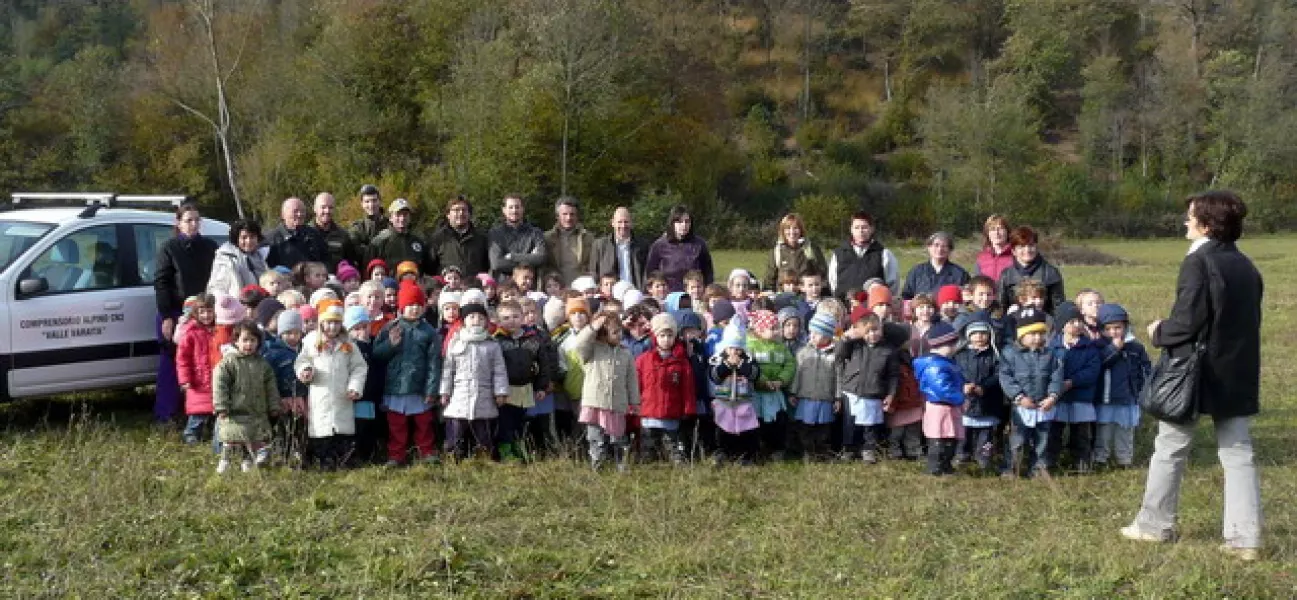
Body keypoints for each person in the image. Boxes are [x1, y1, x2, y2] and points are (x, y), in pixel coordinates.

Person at [1124, 191, 1263, 561]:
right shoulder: (1247, 266)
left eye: (1190, 216)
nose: (1185, 221)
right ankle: (1244, 539)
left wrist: (1157, 331)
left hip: (1195, 372)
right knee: (1238, 454)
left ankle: (1153, 525)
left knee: (1169, 448)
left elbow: (1187, 322)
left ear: (1205, 224)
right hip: (1236, 371)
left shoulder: (1198, 263)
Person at [153, 202, 218, 423]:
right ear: (178, 223)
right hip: (175, 311)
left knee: (203, 362)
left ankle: (202, 413)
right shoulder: (168, 248)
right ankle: (167, 414)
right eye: (188, 220)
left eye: (196, 220)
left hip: (204, 312)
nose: (193, 224)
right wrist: (166, 317)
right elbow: (161, 283)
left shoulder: (209, 247)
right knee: (172, 362)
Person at [373, 282, 443, 467]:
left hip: (419, 386)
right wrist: (391, 344)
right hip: (396, 386)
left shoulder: (429, 332)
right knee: (397, 424)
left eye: (418, 305)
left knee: (423, 423)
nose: (414, 309)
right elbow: (377, 354)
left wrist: (431, 389)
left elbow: (434, 362)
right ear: (402, 307)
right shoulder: (390, 328)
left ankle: (426, 452)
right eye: (410, 305)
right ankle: (396, 455)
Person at [294, 300, 368, 470]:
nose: (332, 327)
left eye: (336, 322)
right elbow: (302, 360)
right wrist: (305, 370)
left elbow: (359, 367)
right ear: (321, 323)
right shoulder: (311, 343)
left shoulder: (348, 344)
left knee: (342, 431)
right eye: (328, 322)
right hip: (321, 395)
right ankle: (323, 460)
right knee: (321, 429)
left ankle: (343, 459)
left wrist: (355, 387)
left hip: (342, 396)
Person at [999, 307, 1064, 478]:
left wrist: (1052, 396)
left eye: (1040, 333)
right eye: (1032, 334)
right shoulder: (1010, 354)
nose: (1037, 337)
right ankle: (1012, 467)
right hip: (1022, 406)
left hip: (1043, 406)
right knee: (1017, 440)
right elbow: (1006, 377)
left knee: (1042, 439)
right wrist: (1019, 397)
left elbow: (1056, 377)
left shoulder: (1051, 355)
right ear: (1021, 335)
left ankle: (1038, 468)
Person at [440, 302, 510, 460]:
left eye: (480, 317)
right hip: (459, 396)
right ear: (464, 320)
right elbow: (448, 370)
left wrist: (500, 392)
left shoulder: (492, 345)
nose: (476, 320)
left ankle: (484, 457)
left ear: (486, 321)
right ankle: (453, 456)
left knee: (483, 430)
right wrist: (445, 391)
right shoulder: (456, 342)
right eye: (472, 317)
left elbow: (499, 371)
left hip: (483, 396)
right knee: (456, 430)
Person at [573, 310, 641, 472]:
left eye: (620, 331)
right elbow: (579, 343)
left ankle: (621, 467)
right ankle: (598, 466)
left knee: (618, 438)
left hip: (617, 404)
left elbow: (631, 379)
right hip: (595, 404)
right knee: (596, 439)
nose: (619, 335)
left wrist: (635, 401)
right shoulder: (591, 351)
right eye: (614, 332)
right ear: (602, 334)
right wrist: (592, 327)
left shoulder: (625, 353)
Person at [211, 322, 280, 474]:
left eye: (253, 341)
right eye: (245, 340)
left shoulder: (263, 365)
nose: (249, 344)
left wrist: (274, 406)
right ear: (236, 341)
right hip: (234, 411)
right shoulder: (229, 363)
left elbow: (271, 388)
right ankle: (224, 462)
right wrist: (221, 405)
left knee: (252, 437)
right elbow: (219, 384)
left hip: (256, 411)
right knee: (231, 438)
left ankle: (247, 462)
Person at [836, 313, 899, 464]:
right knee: (850, 425)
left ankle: (868, 450)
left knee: (870, 426)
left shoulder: (888, 350)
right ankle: (849, 449)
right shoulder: (855, 345)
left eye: (876, 330)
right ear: (861, 332)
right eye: (868, 331)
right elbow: (839, 354)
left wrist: (891, 394)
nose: (873, 334)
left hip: (873, 393)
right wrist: (845, 337)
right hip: (852, 391)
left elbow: (893, 375)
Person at [635, 312, 697, 465]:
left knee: (674, 448)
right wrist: (633, 404)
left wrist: (688, 408)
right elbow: (636, 384)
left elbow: (687, 387)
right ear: (655, 337)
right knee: (648, 448)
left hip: (671, 412)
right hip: (649, 413)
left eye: (670, 335)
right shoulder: (644, 360)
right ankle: (648, 467)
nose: (666, 339)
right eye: (662, 335)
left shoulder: (681, 362)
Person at [1093, 303, 1150, 469]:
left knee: (1125, 431)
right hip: (1106, 398)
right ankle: (1100, 459)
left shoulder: (1136, 348)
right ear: (1101, 329)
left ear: (1125, 326)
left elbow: (1145, 369)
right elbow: (1100, 364)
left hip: (1128, 398)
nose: (1113, 332)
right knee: (1103, 431)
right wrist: (1113, 349)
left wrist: (1143, 389)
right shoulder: (1099, 347)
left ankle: (1124, 460)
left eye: (1117, 327)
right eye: (1108, 329)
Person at [914, 322, 965, 476]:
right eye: (952, 344)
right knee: (939, 438)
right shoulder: (935, 366)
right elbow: (942, 389)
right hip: (940, 407)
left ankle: (946, 465)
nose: (955, 347)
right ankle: (934, 467)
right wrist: (960, 397)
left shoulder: (945, 362)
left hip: (949, 407)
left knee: (950, 437)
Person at [708, 319, 761, 466]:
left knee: (746, 430)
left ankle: (747, 455)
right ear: (725, 347)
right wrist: (726, 365)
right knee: (723, 429)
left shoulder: (749, 360)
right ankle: (723, 453)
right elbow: (714, 376)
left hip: (744, 402)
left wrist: (741, 365)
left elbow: (755, 375)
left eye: (738, 349)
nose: (734, 352)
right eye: (731, 348)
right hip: (723, 402)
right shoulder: (717, 359)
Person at [788, 312, 840, 460]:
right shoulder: (803, 352)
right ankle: (808, 451)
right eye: (811, 333)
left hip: (825, 398)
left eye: (816, 334)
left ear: (827, 335)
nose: (812, 337)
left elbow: (838, 377)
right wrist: (793, 392)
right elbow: (797, 374)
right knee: (806, 427)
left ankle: (822, 451)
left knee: (824, 428)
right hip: (806, 397)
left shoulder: (835, 354)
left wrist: (837, 397)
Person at [954, 320, 1003, 472]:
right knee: (964, 432)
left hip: (988, 401)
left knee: (986, 433)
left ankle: (984, 457)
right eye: (975, 333)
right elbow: (956, 372)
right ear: (969, 335)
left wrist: (985, 387)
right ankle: (962, 455)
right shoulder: (961, 355)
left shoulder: (994, 355)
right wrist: (963, 386)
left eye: (983, 333)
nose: (980, 336)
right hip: (967, 401)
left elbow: (998, 374)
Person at [828, 211, 899, 301]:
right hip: (844, 308)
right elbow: (833, 282)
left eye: (864, 227)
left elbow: (892, 285)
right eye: (856, 227)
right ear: (851, 229)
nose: (860, 231)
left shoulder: (884, 254)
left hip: (872, 310)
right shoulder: (838, 254)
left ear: (872, 229)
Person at [176, 293, 218, 445]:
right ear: (196, 313)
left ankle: (216, 434)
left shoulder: (218, 330)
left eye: (209, 311)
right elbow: (183, 359)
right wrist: (185, 379)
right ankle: (191, 433)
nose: (206, 315)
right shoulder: (191, 332)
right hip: (197, 379)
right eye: (202, 312)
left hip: (215, 377)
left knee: (217, 408)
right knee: (198, 411)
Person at [997, 226, 1066, 315]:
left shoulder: (1051, 273)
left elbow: (1058, 308)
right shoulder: (1006, 275)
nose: (1027, 250)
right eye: (1022, 246)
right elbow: (1001, 307)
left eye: (1031, 245)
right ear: (1013, 251)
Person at [645, 205, 715, 292]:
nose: (684, 225)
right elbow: (650, 274)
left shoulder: (699, 244)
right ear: (672, 223)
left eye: (687, 222)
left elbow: (708, 272)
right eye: (679, 222)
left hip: (694, 294)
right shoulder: (659, 246)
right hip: (668, 295)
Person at [427, 195, 491, 280]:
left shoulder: (481, 238)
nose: (461, 213)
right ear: (448, 214)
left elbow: (487, 267)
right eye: (456, 210)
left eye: (464, 210)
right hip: (447, 290)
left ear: (469, 214)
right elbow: (429, 269)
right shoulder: (437, 239)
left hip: (473, 289)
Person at [763, 213, 828, 292]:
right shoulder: (776, 252)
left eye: (795, 228)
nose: (792, 232)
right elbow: (769, 281)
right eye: (788, 228)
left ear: (801, 230)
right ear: (783, 231)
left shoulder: (812, 249)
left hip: (807, 298)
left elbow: (823, 275)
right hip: (783, 298)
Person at [488, 195, 547, 281]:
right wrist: (530, 258)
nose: (514, 210)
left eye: (517, 207)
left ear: (523, 209)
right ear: (504, 210)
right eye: (510, 207)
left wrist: (513, 256)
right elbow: (497, 264)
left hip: (530, 286)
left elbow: (541, 258)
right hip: (504, 286)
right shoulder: (495, 234)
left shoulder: (536, 233)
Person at [589, 206, 650, 289]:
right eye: (619, 222)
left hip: (635, 292)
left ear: (632, 223)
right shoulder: (600, 245)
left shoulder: (643, 245)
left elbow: (648, 272)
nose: (623, 226)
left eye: (626, 222)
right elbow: (594, 272)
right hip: (610, 294)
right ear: (612, 223)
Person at [207, 219, 269, 299]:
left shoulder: (260, 256)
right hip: (236, 307)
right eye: (244, 237)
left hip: (260, 303)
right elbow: (217, 287)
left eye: (252, 237)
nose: (248, 241)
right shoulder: (226, 258)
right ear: (236, 239)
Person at [542, 196, 595, 287]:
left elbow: (593, 265)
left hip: (581, 288)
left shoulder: (588, 238)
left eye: (572, 214)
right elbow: (544, 266)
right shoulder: (547, 238)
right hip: (556, 288)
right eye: (564, 214)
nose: (568, 218)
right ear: (557, 216)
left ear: (577, 216)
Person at [368, 198, 431, 275]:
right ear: (390, 218)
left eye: (405, 214)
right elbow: (369, 270)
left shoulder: (419, 241)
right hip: (389, 286)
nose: (402, 218)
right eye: (398, 215)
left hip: (415, 285)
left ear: (409, 217)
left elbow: (428, 269)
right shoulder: (379, 242)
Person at [902, 231, 970, 300]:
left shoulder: (960, 274)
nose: (940, 249)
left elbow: (966, 298)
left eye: (944, 246)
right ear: (929, 247)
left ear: (950, 250)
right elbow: (907, 297)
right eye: (936, 245)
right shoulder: (916, 272)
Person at [265, 197, 328, 269]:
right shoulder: (270, 240)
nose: (299, 214)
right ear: (283, 215)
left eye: (302, 211)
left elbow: (326, 259)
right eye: (295, 211)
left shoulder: (314, 235)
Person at [311, 192, 360, 271]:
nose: (327, 211)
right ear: (315, 208)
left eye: (330, 208)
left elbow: (351, 264)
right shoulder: (306, 234)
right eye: (323, 207)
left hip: (337, 281)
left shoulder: (343, 235)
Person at [974, 215, 1014, 282]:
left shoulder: (1016, 256)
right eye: (992, 229)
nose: (996, 233)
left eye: (1000, 228)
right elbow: (977, 284)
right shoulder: (981, 258)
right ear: (988, 234)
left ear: (1007, 231)